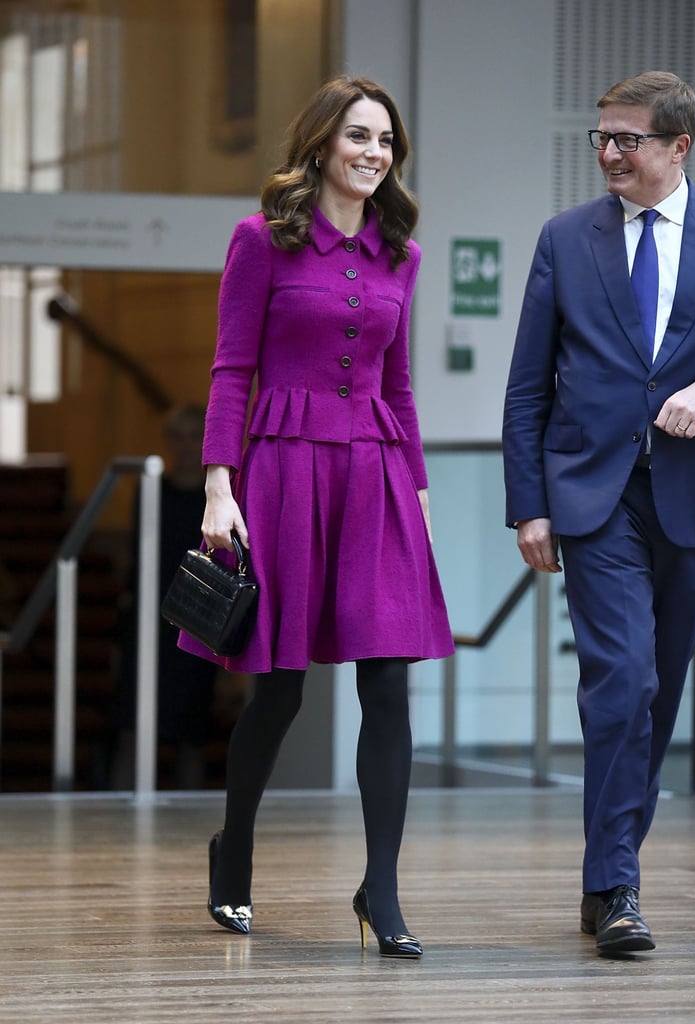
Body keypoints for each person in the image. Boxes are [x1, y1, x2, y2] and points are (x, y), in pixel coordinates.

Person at [179, 75, 454, 957]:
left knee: (389, 680)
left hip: (374, 477)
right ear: (322, 144)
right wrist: (220, 486)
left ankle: (381, 887)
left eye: (385, 141)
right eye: (358, 136)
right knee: (281, 686)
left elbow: (400, 389)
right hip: (284, 470)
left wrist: (416, 498)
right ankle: (237, 849)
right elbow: (230, 371)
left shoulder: (402, 256)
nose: (373, 152)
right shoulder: (260, 241)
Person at [502, 71, 695, 954]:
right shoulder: (565, 239)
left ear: (677, 147)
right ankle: (616, 885)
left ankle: (608, 876)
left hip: (693, 492)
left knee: (658, 694)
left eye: (626, 139)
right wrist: (528, 504)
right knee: (623, 682)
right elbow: (527, 386)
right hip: (592, 499)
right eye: (600, 137)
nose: (607, 152)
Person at [111, 404, 218, 789]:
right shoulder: (151, 490)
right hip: (149, 618)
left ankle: (188, 826)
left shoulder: (219, 501)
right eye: (180, 436)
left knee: (191, 734)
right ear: (169, 442)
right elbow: (137, 560)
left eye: (195, 436)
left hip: (197, 621)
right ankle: (119, 819)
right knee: (131, 728)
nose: (187, 445)